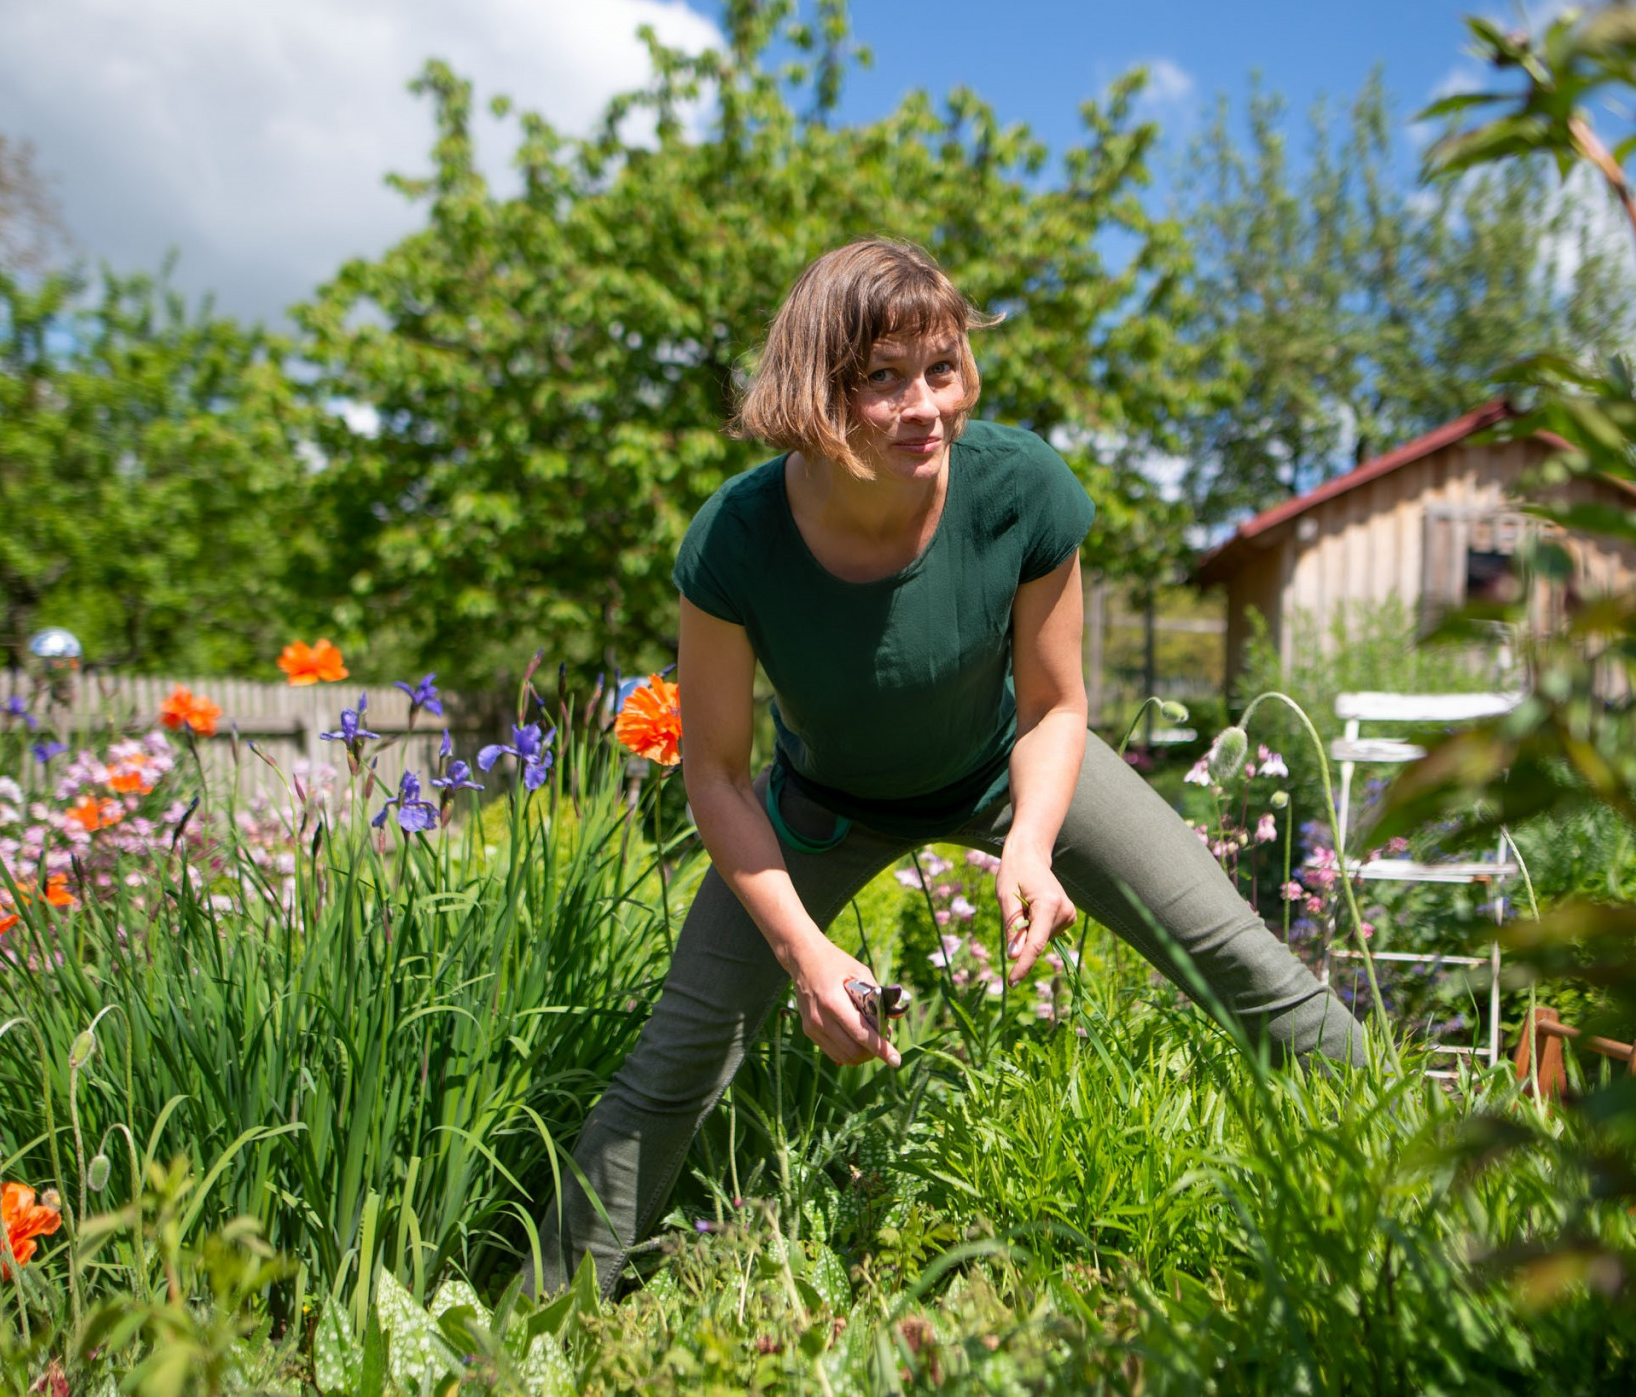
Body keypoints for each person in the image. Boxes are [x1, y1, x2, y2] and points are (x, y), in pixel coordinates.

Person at [528, 238, 1362, 1296]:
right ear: (814, 390)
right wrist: (804, 954)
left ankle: (1430, 1180)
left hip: (1001, 764)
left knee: (1241, 962)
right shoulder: (734, 540)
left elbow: (1059, 705)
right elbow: (718, 775)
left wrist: (1028, 838)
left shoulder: (1021, 491)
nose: (925, 404)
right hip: (818, 806)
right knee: (674, 1058)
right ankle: (529, 1327)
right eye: (882, 378)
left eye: (941, 367)